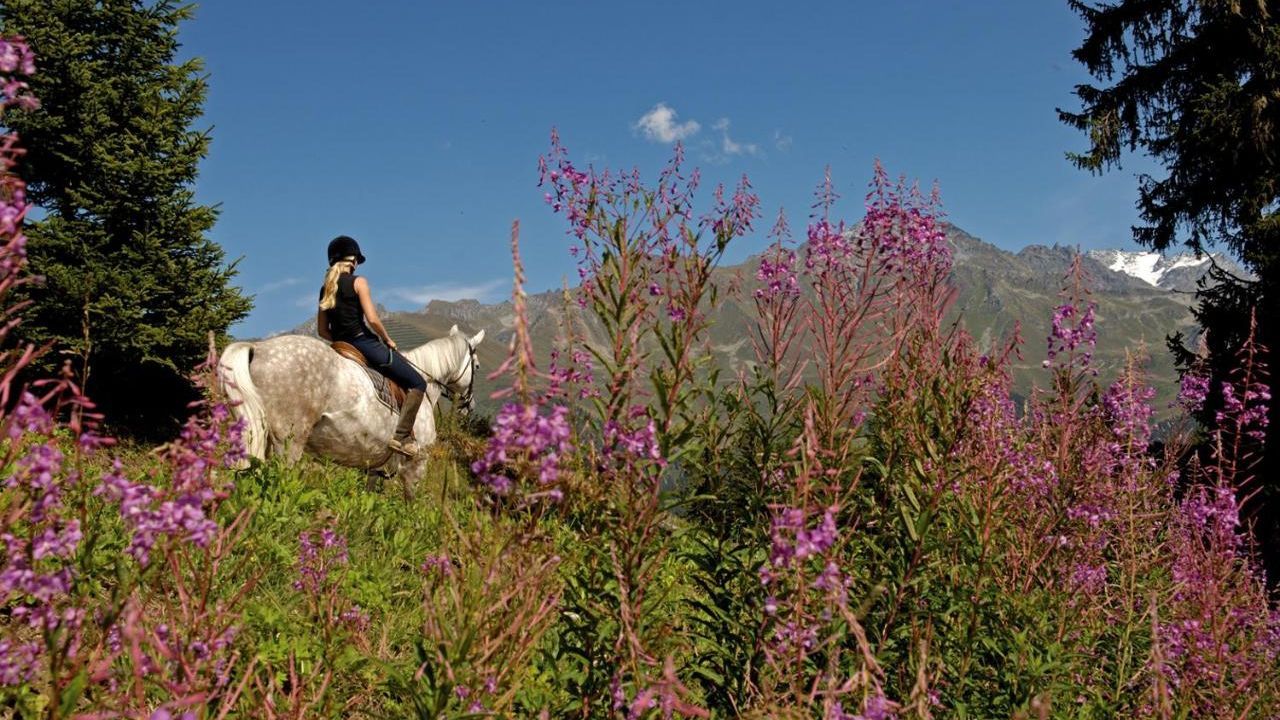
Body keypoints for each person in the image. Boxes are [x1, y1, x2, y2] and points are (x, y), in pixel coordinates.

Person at [317, 235, 427, 458]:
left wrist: (340, 339)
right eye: (357, 260)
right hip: (363, 343)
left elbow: (322, 331)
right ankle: (402, 436)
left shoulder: (325, 288)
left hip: (340, 346)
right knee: (418, 382)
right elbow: (373, 319)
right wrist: (387, 339)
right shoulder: (359, 282)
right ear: (353, 260)